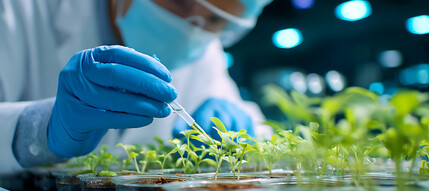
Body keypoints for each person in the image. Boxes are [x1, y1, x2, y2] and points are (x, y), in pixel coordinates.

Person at [0, 0, 272, 174]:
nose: (190, 29)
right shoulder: (21, 8)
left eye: (214, 20)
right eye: (182, 2)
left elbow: (256, 128)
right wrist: (37, 129)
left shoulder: (204, 51)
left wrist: (242, 131)